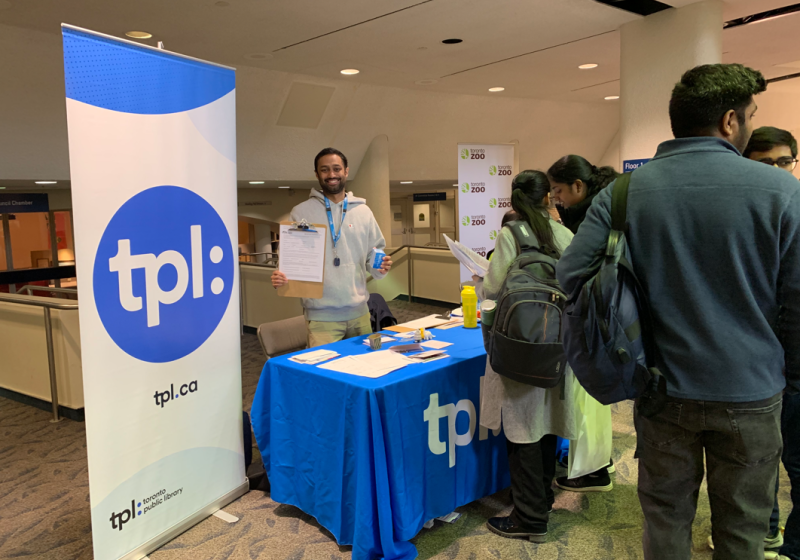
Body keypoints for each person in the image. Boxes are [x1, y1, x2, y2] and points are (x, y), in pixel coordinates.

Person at [556, 63, 800, 560]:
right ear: (730, 121)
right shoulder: (783, 193)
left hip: (660, 388)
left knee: (665, 521)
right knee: (745, 529)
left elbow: (571, 276)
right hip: (752, 390)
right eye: (750, 115)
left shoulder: (623, 193)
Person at [477, 170, 577, 543]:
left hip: (519, 346)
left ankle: (529, 518)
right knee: (547, 424)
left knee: (521, 433)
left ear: (514, 201)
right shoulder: (564, 235)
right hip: (556, 346)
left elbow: (492, 288)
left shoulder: (510, 236)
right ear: (547, 198)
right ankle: (542, 499)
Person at [743, 126, 799, 560]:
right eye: (768, 164)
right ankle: (768, 528)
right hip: (755, 360)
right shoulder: (741, 217)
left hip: (795, 360)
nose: (780, 172)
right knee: (757, 459)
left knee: (795, 459)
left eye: (786, 162)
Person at [271, 148, 392, 347]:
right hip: (321, 318)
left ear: (346, 171)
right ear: (317, 174)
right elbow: (290, 258)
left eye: (337, 169)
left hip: (360, 313)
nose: (332, 175)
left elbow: (374, 253)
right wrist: (282, 276)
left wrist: (380, 268)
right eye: (325, 170)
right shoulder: (301, 212)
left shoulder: (363, 211)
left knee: (365, 371)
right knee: (325, 375)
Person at [547, 155, 619, 233]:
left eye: (558, 190)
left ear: (578, 186)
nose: (556, 197)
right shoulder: (598, 207)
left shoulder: (597, 218)